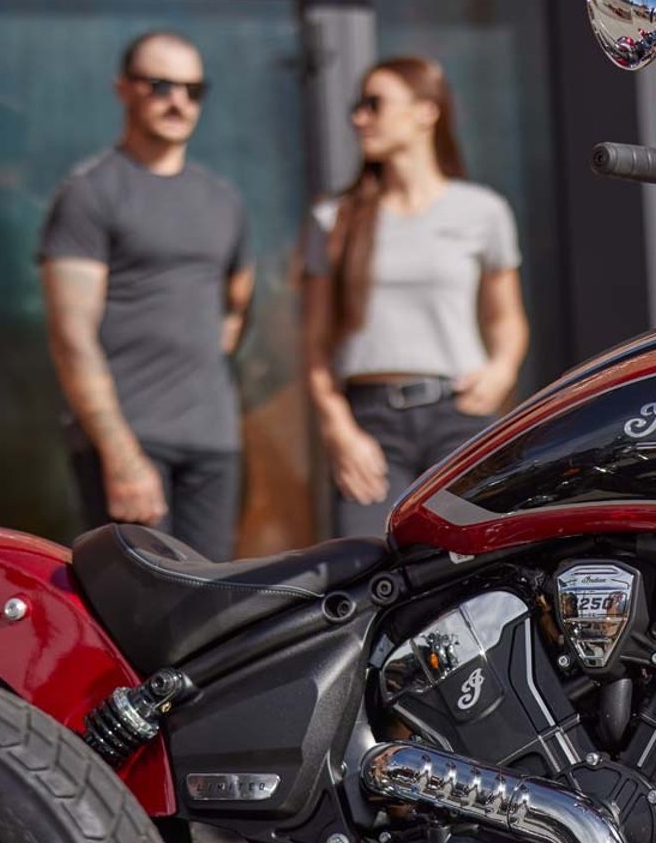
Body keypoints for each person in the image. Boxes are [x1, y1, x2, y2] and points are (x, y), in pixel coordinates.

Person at [39, 31, 253, 561]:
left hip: (213, 441)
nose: (177, 101)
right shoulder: (91, 192)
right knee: (138, 616)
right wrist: (121, 453)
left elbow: (237, 306)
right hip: (133, 440)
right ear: (123, 90)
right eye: (160, 85)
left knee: (213, 611)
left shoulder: (223, 199)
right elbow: (72, 337)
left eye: (192, 89)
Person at [302, 56, 529, 539]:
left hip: (460, 417)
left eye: (373, 104)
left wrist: (502, 370)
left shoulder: (482, 211)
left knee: (466, 567)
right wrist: (337, 429)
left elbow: (506, 319)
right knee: (364, 564)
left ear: (426, 111)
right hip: (371, 424)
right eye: (357, 106)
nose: (358, 118)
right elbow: (315, 344)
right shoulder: (333, 220)